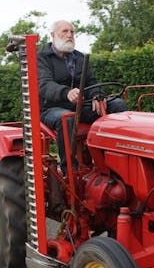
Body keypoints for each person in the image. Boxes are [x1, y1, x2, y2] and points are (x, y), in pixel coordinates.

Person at [37, 20, 127, 174]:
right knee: (67, 118)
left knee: (116, 105)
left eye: (72, 32)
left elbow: (90, 82)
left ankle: (115, 162)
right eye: (65, 31)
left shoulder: (80, 57)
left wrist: (97, 96)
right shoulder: (41, 58)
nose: (69, 35)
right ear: (53, 35)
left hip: (79, 106)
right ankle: (70, 172)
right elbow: (44, 85)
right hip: (50, 108)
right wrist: (66, 92)